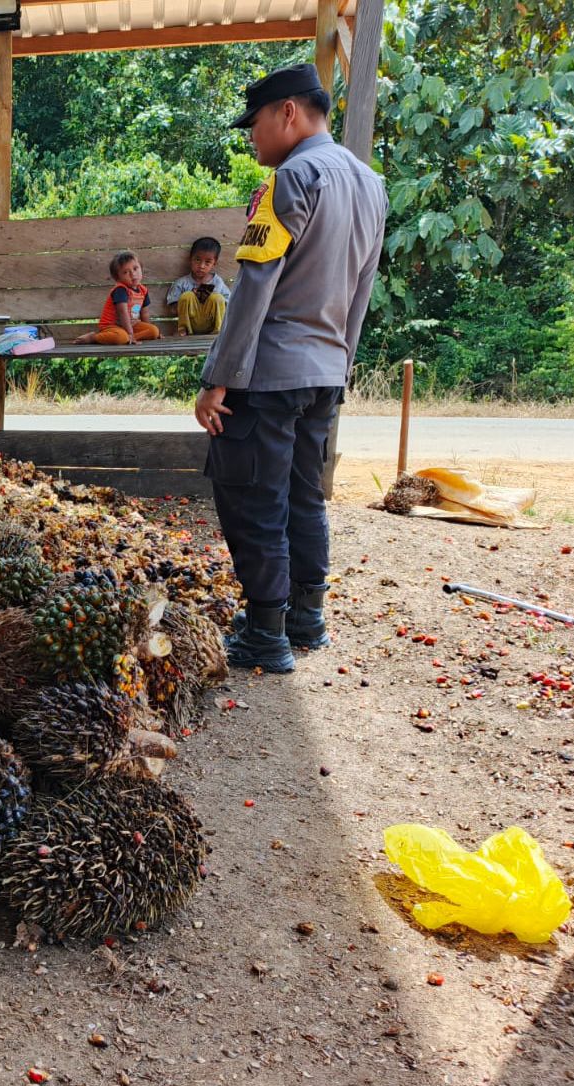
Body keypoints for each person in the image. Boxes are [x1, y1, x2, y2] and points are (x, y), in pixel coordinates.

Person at [195, 62, 387, 673]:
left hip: (268, 371)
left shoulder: (290, 180)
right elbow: (362, 289)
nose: (251, 137)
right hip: (325, 370)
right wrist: (341, 365)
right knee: (306, 494)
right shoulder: (369, 183)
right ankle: (306, 617)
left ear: (288, 112)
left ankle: (265, 633)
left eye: (254, 124)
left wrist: (216, 378)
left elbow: (254, 286)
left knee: (254, 493)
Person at [87, 253, 159, 345]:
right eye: (126, 272)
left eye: (135, 268)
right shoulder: (121, 290)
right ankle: (94, 337)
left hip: (132, 325)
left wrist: (149, 330)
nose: (133, 274)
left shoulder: (143, 290)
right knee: (120, 337)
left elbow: (144, 313)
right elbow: (123, 313)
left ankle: (127, 337)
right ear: (117, 278)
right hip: (112, 326)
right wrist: (130, 333)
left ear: (141, 268)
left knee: (154, 331)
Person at [164, 237, 232, 335]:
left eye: (207, 262)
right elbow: (173, 309)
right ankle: (184, 329)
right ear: (190, 259)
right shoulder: (182, 283)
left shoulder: (218, 282)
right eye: (197, 260)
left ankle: (218, 331)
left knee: (217, 297)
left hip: (211, 324)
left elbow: (229, 305)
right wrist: (191, 299)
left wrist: (211, 299)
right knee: (187, 296)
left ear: (214, 264)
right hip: (191, 324)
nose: (201, 266)